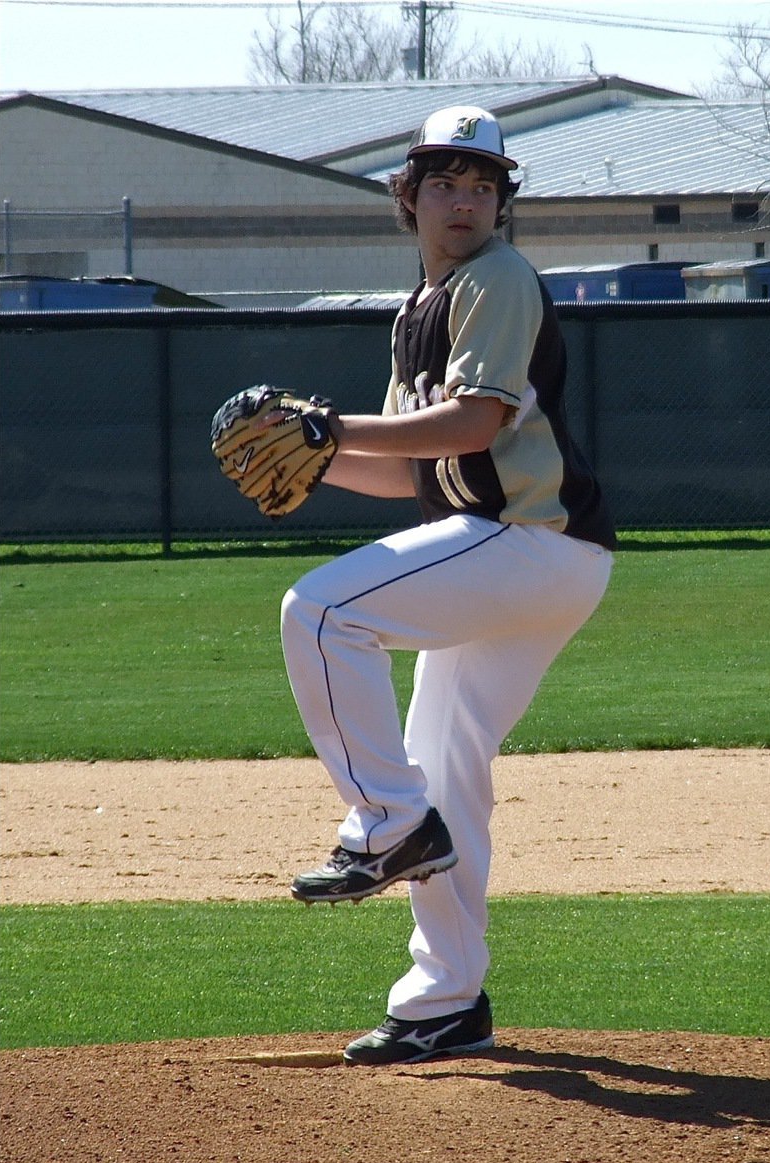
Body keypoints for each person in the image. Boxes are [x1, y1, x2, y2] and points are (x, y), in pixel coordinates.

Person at [281, 104, 616, 1066]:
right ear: (409, 197)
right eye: (443, 182)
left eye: (481, 184)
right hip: (524, 555)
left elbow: (471, 426)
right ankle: (444, 998)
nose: (463, 199)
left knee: (319, 613)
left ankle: (385, 826)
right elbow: (405, 472)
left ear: (501, 202)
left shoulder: (497, 278)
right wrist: (316, 457)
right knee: (445, 776)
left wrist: (322, 430)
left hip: (529, 540)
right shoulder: (418, 308)